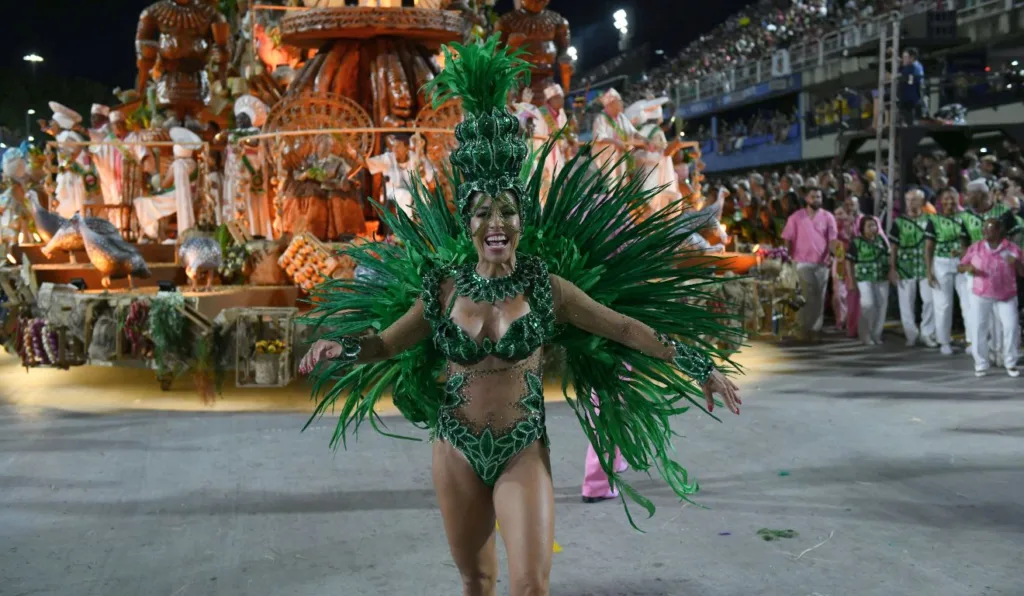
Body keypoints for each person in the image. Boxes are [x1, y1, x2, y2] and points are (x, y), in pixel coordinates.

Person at [297, 36, 741, 595]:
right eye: (482, 210)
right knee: (477, 581)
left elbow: (623, 327)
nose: (495, 221)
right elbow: (387, 343)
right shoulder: (442, 288)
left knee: (530, 585)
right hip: (454, 446)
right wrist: (344, 346)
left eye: (507, 208)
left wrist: (697, 363)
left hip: (521, 447)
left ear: (523, 219)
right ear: (468, 223)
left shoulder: (548, 288)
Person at [956, 179, 1017, 358]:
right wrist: (964, 257)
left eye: (969, 194)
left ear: (980, 195)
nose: (966, 197)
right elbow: (963, 238)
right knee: (979, 314)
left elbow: (1016, 234)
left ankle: (1000, 351)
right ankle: (983, 351)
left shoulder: (1003, 212)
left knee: (1000, 315)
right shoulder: (966, 216)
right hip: (975, 271)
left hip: (999, 271)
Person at [958, 218, 1024, 377]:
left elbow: (1022, 273)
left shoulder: (1012, 249)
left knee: (1011, 327)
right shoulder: (976, 248)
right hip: (981, 294)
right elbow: (961, 266)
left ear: (1000, 230)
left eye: (991, 228)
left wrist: (1016, 263)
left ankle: (1010, 362)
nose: (986, 231)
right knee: (979, 327)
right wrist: (969, 268)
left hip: (1006, 295)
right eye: (985, 228)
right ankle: (980, 363)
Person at [781, 185, 837, 341]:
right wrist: (789, 257)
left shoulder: (828, 217)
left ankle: (814, 329)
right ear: (806, 198)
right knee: (807, 294)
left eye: (819, 197)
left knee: (819, 297)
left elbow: (832, 240)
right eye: (813, 197)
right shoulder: (796, 217)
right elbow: (788, 238)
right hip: (802, 262)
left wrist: (834, 255)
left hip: (822, 263)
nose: (816, 200)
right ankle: (802, 327)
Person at [888, 189, 938, 348]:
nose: (910, 203)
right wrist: (892, 268)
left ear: (923, 202)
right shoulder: (899, 222)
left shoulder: (931, 220)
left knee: (929, 300)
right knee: (906, 303)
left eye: (914, 199)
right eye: (908, 199)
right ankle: (911, 334)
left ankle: (927, 332)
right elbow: (893, 247)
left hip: (926, 266)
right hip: (905, 267)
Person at [133, 127, 200, 243]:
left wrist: (158, 181)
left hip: (177, 198)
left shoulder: (177, 164)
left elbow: (165, 185)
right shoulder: (193, 164)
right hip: (193, 196)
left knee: (142, 202)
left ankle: (152, 233)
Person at [925, 188, 968, 356]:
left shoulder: (965, 218)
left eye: (953, 198)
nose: (950, 202)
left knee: (968, 303)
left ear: (959, 199)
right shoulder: (934, 220)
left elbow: (969, 240)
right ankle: (944, 341)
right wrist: (929, 271)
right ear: (940, 201)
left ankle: (972, 340)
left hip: (963, 262)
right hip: (941, 262)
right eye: (946, 199)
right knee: (943, 304)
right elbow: (929, 247)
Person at [364, 134, 434, 220]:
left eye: (397, 147)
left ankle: (423, 228)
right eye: (394, 147)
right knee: (404, 194)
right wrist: (354, 155)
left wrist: (423, 175)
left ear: (407, 148)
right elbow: (368, 163)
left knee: (423, 197)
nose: (394, 150)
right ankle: (407, 227)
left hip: (414, 191)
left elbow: (431, 181)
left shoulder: (417, 158)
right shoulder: (388, 158)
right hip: (393, 192)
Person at [847, 216, 890, 345]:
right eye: (869, 226)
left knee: (881, 306)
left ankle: (876, 335)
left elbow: (888, 255)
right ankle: (865, 335)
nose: (873, 228)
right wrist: (851, 280)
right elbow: (849, 261)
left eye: (874, 225)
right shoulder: (856, 242)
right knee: (868, 304)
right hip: (864, 278)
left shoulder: (881, 240)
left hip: (882, 276)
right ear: (862, 228)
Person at [591, 88, 649, 180]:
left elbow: (632, 132)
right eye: (619, 102)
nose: (621, 104)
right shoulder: (601, 118)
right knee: (611, 182)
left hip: (621, 155)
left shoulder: (621, 117)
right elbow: (599, 137)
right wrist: (615, 142)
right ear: (610, 104)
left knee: (622, 182)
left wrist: (642, 138)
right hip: (608, 157)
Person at [898, 47, 925, 125]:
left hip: (910, 98)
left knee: (909, 120)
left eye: (906, 57)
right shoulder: (915, 66)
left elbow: (911, 81)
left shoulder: (913, 67)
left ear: (911, 57)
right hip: (910, 98)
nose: (903, 59)